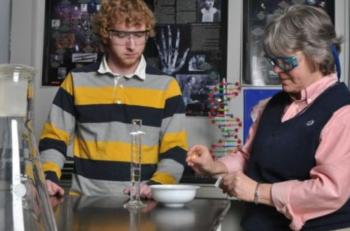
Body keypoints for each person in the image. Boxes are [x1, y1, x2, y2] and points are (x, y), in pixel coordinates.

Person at [187, 5, 350, 231]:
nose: (276, 69)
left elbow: (329, 191)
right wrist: (213, 166)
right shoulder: (272, 106)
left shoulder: (342, 113)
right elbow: (248, 157)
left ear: (318, 56)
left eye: (287, 62)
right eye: (273, 60)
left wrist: (257, 191)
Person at [39, 0, 188, 199]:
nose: (131, 45)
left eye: (139, 35)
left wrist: (157, 185)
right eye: (121, 35)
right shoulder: (76, 80)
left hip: (142, 207)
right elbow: (54, 138)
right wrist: (49, 176)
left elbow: (175, 149)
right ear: (106, 34)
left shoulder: (166, 86)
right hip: (85, 206)